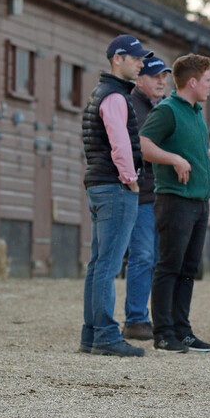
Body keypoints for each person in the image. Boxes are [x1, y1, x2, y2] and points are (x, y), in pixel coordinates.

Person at [140, 54, 210, 354]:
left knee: (189, 268)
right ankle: (162, 334)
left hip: (199, 202)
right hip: (175, 200)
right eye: (208, 80)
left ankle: (182, 330)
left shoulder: (196, 111)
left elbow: (191, 147)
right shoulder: (168, 110)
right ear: (192, 82)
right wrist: (173, 159)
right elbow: (145, 144)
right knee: (169, 267)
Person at [79, 34, 153, 357]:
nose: (141, 63)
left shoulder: (101, 93)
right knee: (107, 265)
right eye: (136, 58)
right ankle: (107, 335)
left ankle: (92, 333)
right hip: (115, 187)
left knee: (98, 263)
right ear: (117, 59)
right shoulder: (115, 97)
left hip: (99, 185)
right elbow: (119, 144)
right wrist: (131, 179)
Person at [122, 56, 172, 341]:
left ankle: (148, 317)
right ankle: (136, 319)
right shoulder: (133, 107)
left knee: (154, 258)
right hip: (141, 193)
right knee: (142, 256)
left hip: (159, 193)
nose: (162, 82)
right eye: (156, 77)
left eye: (165, 77)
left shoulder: (160, 107)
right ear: (140, 79)